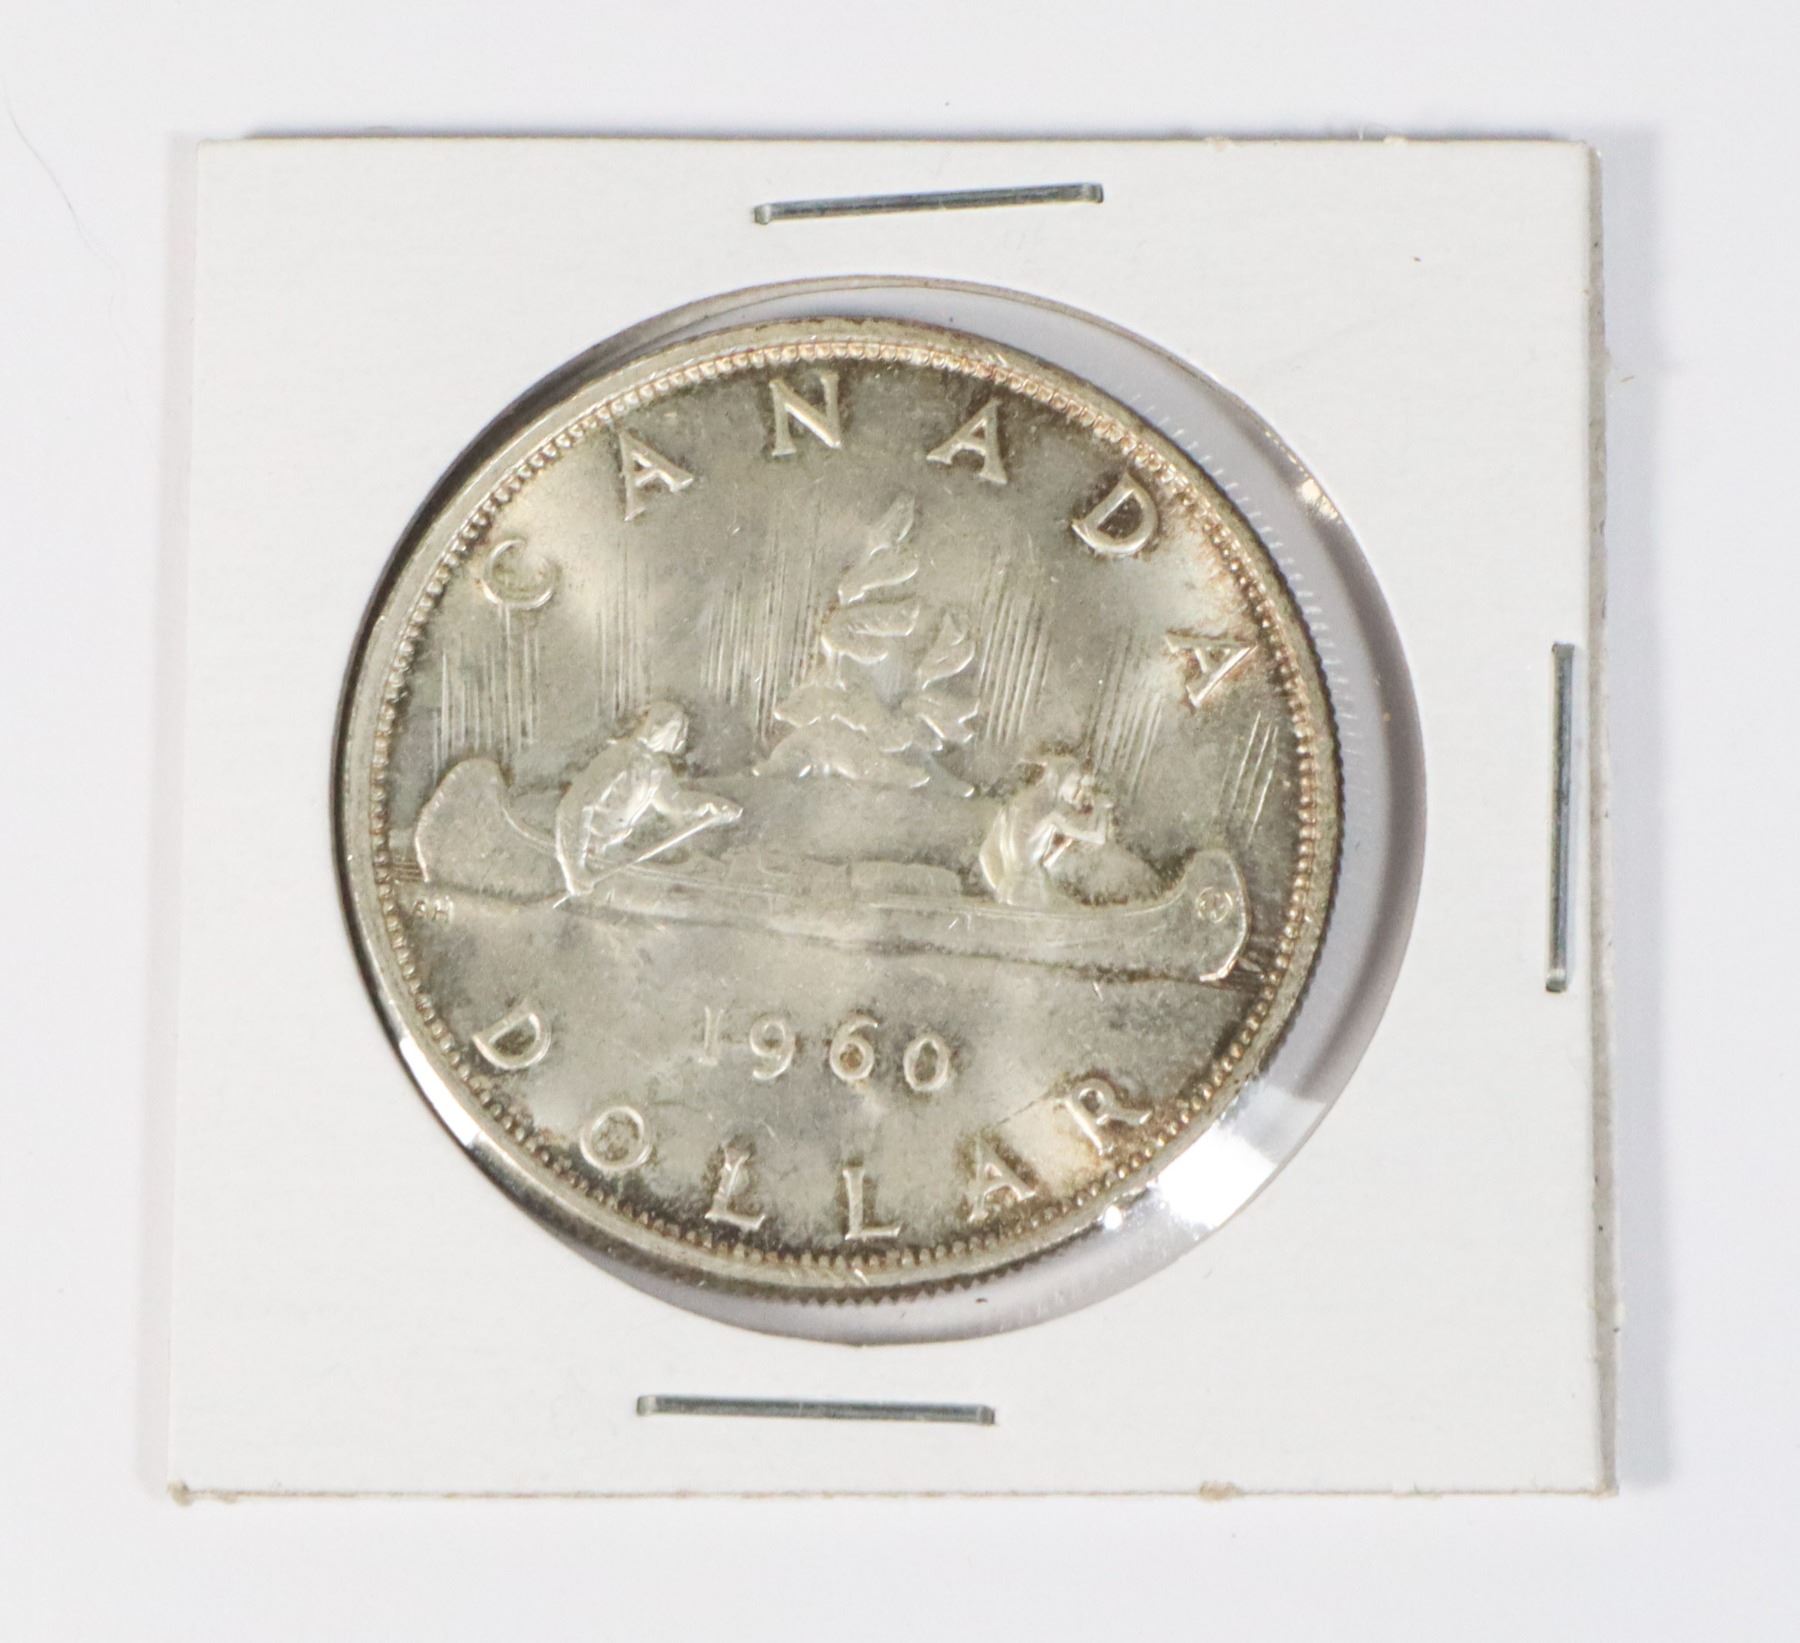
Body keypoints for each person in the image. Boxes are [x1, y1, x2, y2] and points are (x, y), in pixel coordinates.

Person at [553, 702, 740, 898]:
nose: (681, 739)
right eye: (677, 730)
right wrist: (573, 867)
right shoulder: (620, 757)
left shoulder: (656, 767)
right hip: (582, 846)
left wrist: (714, 806)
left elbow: (674, 803)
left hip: (612, 850)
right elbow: (576, 805)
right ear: (661, 727)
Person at [977, 755, 1113, 908]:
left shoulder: (1012, 807)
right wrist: (1102, 807)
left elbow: (986, 853)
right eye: (1075, 782)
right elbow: (1098, 837)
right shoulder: (1051, 815)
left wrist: (1002, 888)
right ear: (1061, 779)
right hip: (1031, 894)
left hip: (1010, 892)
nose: (1078, 789)